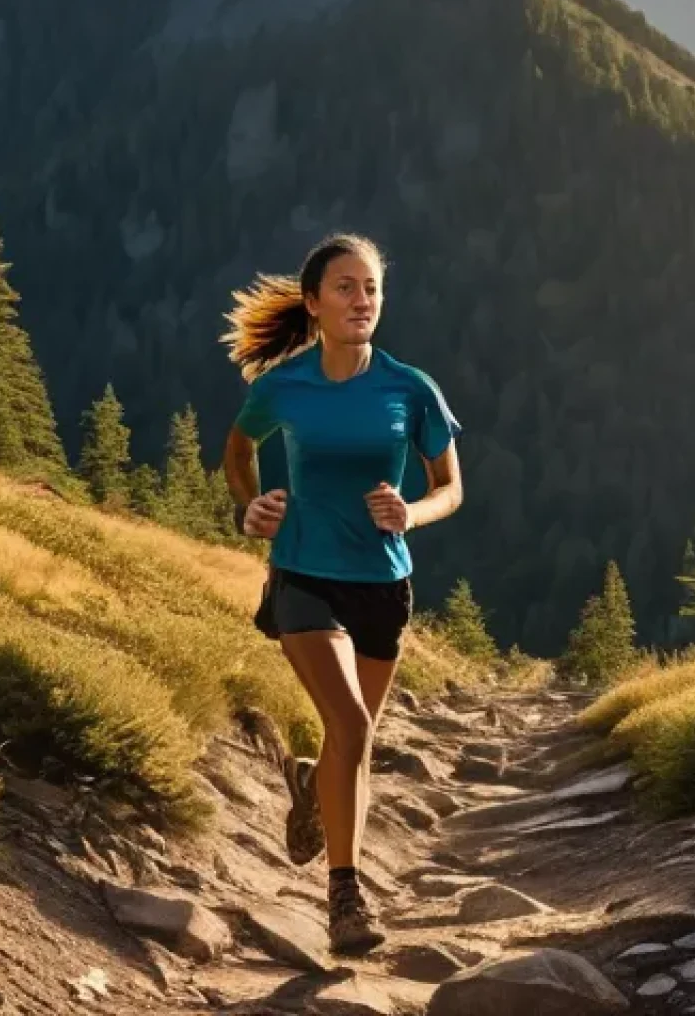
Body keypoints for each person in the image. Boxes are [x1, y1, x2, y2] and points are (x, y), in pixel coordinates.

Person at [220, 233, 463, 955]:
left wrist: (411, 512)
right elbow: (238, 449)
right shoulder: (283, 387)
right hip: (303, 577)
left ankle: (310, 787)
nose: (363, 301)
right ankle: (346, 898)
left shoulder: (411, 387)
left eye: (373, 289)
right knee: (352, 728)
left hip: (384, 587)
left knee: (349, 740)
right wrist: (251, 505)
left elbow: (451, 487)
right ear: (315, 303)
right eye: (348, 288)